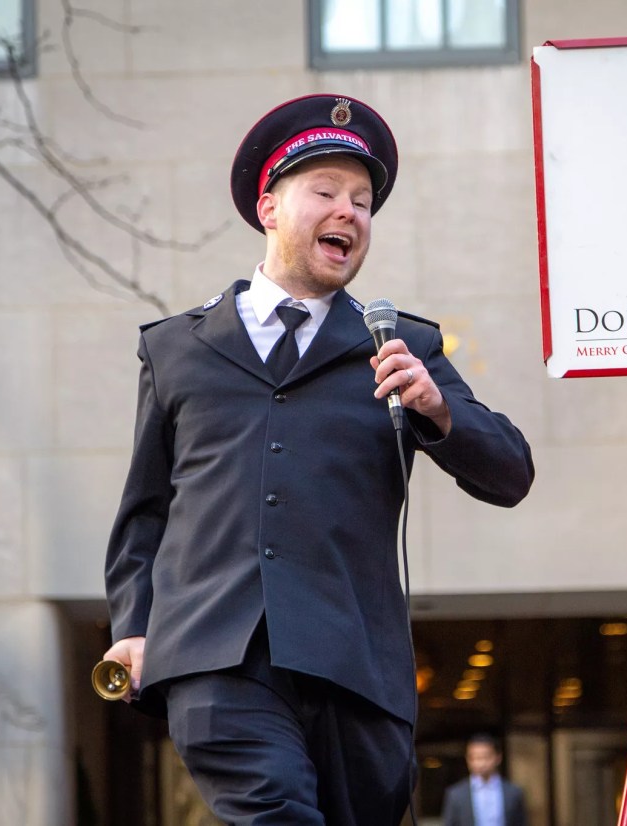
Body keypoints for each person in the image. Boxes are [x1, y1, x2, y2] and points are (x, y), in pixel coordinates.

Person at [101, 93, 535, 825]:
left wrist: (437, 409)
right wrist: (134, 625)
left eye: (363, 201)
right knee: (275, 812)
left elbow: (511, 473)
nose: (350, 213)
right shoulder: (176, 348)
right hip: (215, 657)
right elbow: (146, 509)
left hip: (356, 668)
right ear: (269, 208)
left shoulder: (404, 347)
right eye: (326, 192)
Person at [442, 733, 529, 826]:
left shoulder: (513, 793)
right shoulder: (456, 795)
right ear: (467, 759)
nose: (481, 763)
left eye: (486, 757)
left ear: (498, 757)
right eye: (475, 758)